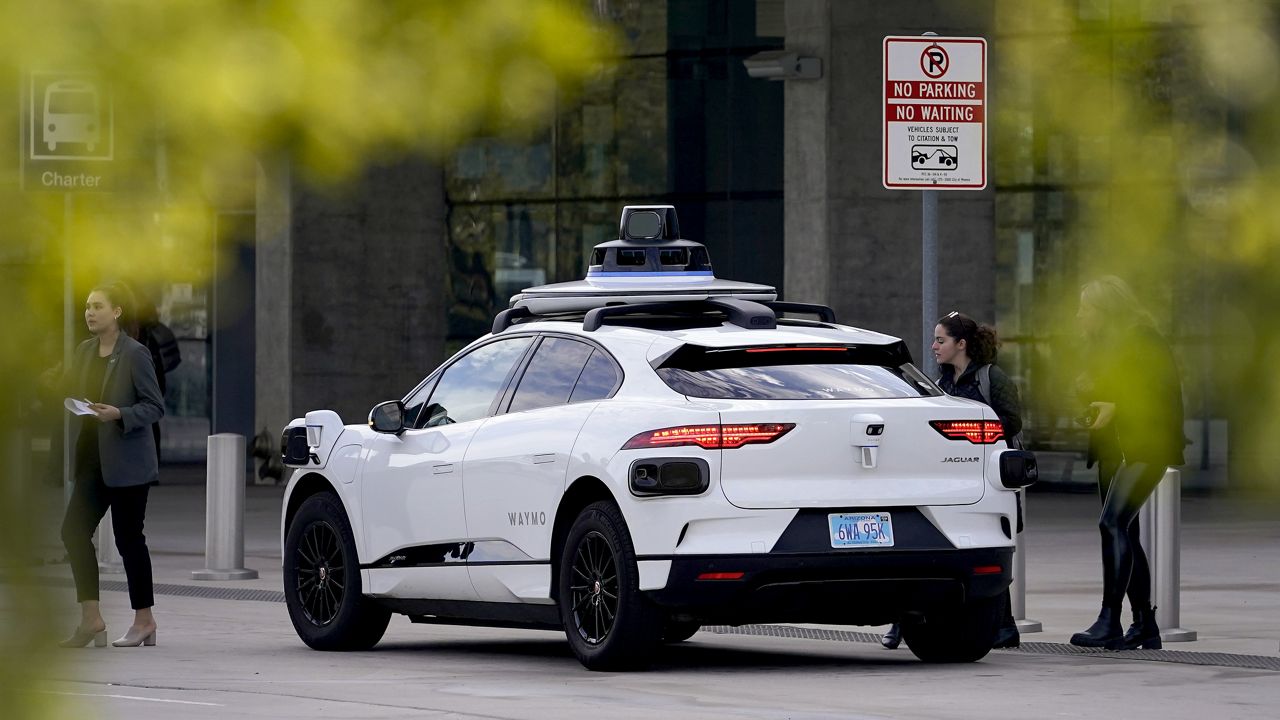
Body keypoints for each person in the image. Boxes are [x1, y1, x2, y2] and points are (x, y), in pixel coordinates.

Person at [882, 311, 1024, 651]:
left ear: (961, 344)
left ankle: (1003, 625)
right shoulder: (939, 384)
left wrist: (969, 435)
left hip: (985, 475)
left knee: (984, 546)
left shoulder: (992, 378)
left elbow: (1012, 422)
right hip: (947, 476)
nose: (933, 346)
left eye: (941, 340)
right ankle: (906, 621)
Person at [1069, 276, 1184, 650]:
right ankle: (1144, 625)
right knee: (1126, 532)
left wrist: (1115, 403)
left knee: (1112, 523)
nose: (1080, 316)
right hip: (1112, 450)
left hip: (1146, 447)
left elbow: (1161, 394)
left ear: (1108, 311)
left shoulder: (1144, 340)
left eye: (1087, 309)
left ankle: (1109, 619)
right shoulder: (1104, 347)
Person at [54, 282, 164, 648]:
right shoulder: (84, 351)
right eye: (87, 306)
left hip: (127, 461)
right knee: (73, 532)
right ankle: (91, 618)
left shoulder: (135, 354)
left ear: (116, 312)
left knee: (129, 539)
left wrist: (120, 413)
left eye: (97, 306)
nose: (89, 312)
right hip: (91, 459)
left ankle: (144, 620)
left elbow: (155, 406)